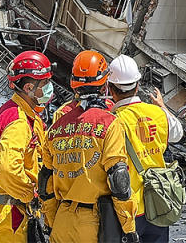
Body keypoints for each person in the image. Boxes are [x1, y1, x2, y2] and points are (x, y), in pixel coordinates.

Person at [42, 49, 139, 243]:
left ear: (73, 85)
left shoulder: (56, 128)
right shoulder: (109, 123)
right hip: (94, 223)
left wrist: (51, 222)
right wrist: (129, 229)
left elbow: (46, 182)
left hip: (62, 219)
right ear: (105, 85)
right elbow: (119, 179)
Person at [0, 50, 54, 243]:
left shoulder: (8, 111)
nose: (49, 88)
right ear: (29, 87)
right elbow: (8, 170)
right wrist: (29, 195)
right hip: (5, 218)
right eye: (45, 84)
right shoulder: (18, 122)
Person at [107, 55, 184, 243]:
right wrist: (163, 107)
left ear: (110, 89)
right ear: (138, 85)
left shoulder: (112, 121)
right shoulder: (157, 114)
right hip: (158, 202)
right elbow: (178, 134)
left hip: (127, 209)